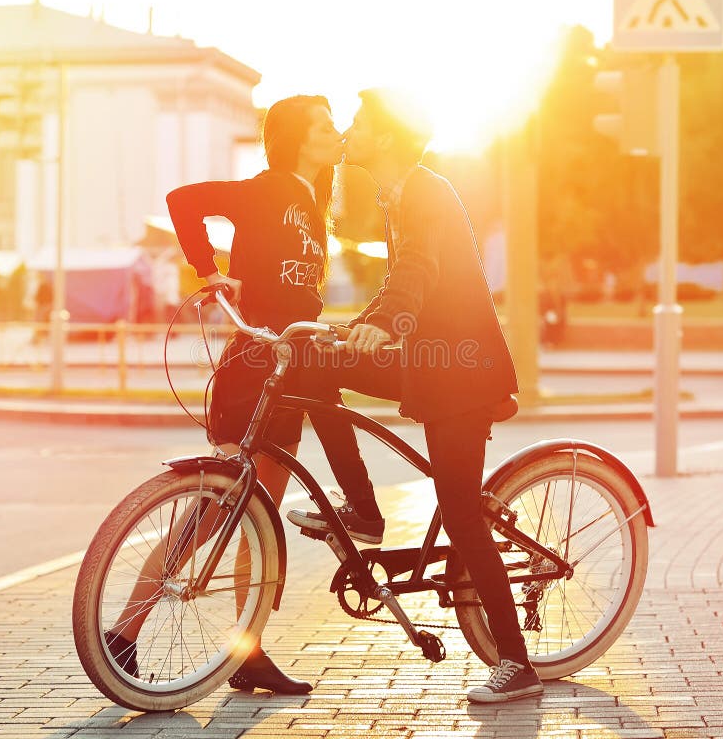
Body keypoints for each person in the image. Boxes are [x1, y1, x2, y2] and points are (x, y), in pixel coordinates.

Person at [287, 88, 543, 703]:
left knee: (459, 511)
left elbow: (418, 273)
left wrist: (387, 319)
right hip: (428, 362)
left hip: (462, 372)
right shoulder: (396, 193)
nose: (349, 129)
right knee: (314, 364)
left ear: (388, 136)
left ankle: (517, 663)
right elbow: (405, 281)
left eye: (358, 121)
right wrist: (357, 331)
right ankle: (364, 512)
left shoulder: (425, 191)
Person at [104, 95, 342, 695]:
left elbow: (298, 293)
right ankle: (124, 635)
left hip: (292, 370)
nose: (334, 132)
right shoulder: (265, 189)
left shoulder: (314, 202)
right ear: (297, 136)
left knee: (257, 522)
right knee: (215, 512)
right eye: (324, 124)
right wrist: (207, 270)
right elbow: (183, 202)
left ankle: (249, 650)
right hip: (253, 369)